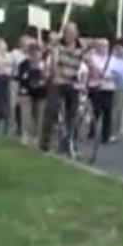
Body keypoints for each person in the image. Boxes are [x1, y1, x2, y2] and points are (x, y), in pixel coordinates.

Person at [43, 24, 85, 154]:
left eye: (72, 33)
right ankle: (45, 142)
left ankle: (70, 142)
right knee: (52, 108)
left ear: (76, 34)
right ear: (64, 34)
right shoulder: (57, 47)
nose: (70, 36)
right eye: (67, 33)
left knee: (73, 113)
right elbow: (54, 62)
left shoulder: (81, 46)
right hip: (58, 80)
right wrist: (56, 74)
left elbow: (95, 46)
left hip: (73, 81)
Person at [17, 42, 47, 147]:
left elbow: (47, 78)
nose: (35, 55)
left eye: (37, 52)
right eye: (32, 53)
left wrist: (43, 79)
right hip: (26, 91)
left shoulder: (44, 65)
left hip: (41, 93)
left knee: (40, 115)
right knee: (26, 114)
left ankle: (37, 137)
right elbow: (21, 78)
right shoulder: (23, 64)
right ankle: (26, 134)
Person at [86, 39, 115, 144]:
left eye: (105, 46)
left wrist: (108, 76)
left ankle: (105, 136)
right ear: (97, 47)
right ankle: (92, 130)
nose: (103, 48)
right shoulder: (92, 57)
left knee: (108, 112)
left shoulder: (112, 59)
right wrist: (95, 72)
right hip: (96, 87)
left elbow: (116, 73)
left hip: (109, 87)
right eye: (101, 46)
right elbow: (90, 68)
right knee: (96, 111)